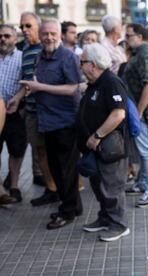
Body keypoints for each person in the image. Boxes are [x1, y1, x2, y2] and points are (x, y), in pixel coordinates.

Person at [20, 18, 83, 229]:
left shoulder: (68, 57)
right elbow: (37, 83)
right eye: (45, 33)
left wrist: (40, 87)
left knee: (65, 170)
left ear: (60, 35)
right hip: (46, 121)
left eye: (52, 34)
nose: (48, 37)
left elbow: (73, 88)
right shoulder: (40, 56)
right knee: (57, 169)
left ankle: (67, 212)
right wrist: (24, 93)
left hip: (66, 121)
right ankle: (75, 206)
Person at [78, 43, 130, 241]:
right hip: (95, 149)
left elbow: (118, 114)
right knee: (100, 186)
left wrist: (97, 135)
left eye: (82, 62)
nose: (80, 66)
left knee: (112, 187)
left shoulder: (111, 82)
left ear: (92, 64)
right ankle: (105, 218)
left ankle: (119, 224)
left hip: (110, 148)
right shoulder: (96, 83)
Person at [6, 12, 59, 206]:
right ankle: (51, 189)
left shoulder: (49, 48)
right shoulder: (26, 50)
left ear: (39, 26)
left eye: (28, 26)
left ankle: (65, 192)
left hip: (52, 112)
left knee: (56, 153)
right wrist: (18, 99)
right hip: (32, 113)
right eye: (21, 27)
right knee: (40, 153)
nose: (24, 30)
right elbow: (27, 82)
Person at [123, 24, 148, 208]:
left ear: (139, 36)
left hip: (144, 113)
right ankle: (142, 183)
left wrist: (138, 112)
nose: (126, 38)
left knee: (147, 152)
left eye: (129, 35)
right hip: (139, 111)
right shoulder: (139, 53)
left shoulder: (145, 54)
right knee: (142, 150)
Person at [0, 24, 27, 202]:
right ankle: (1, 191)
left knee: (16, 150)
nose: (2, 39)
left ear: (15, 39)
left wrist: (17, 97)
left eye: (7, 36)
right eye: (0, 36)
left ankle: (14, 185)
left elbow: (28, 83)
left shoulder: (23, 58)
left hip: (14, 111)